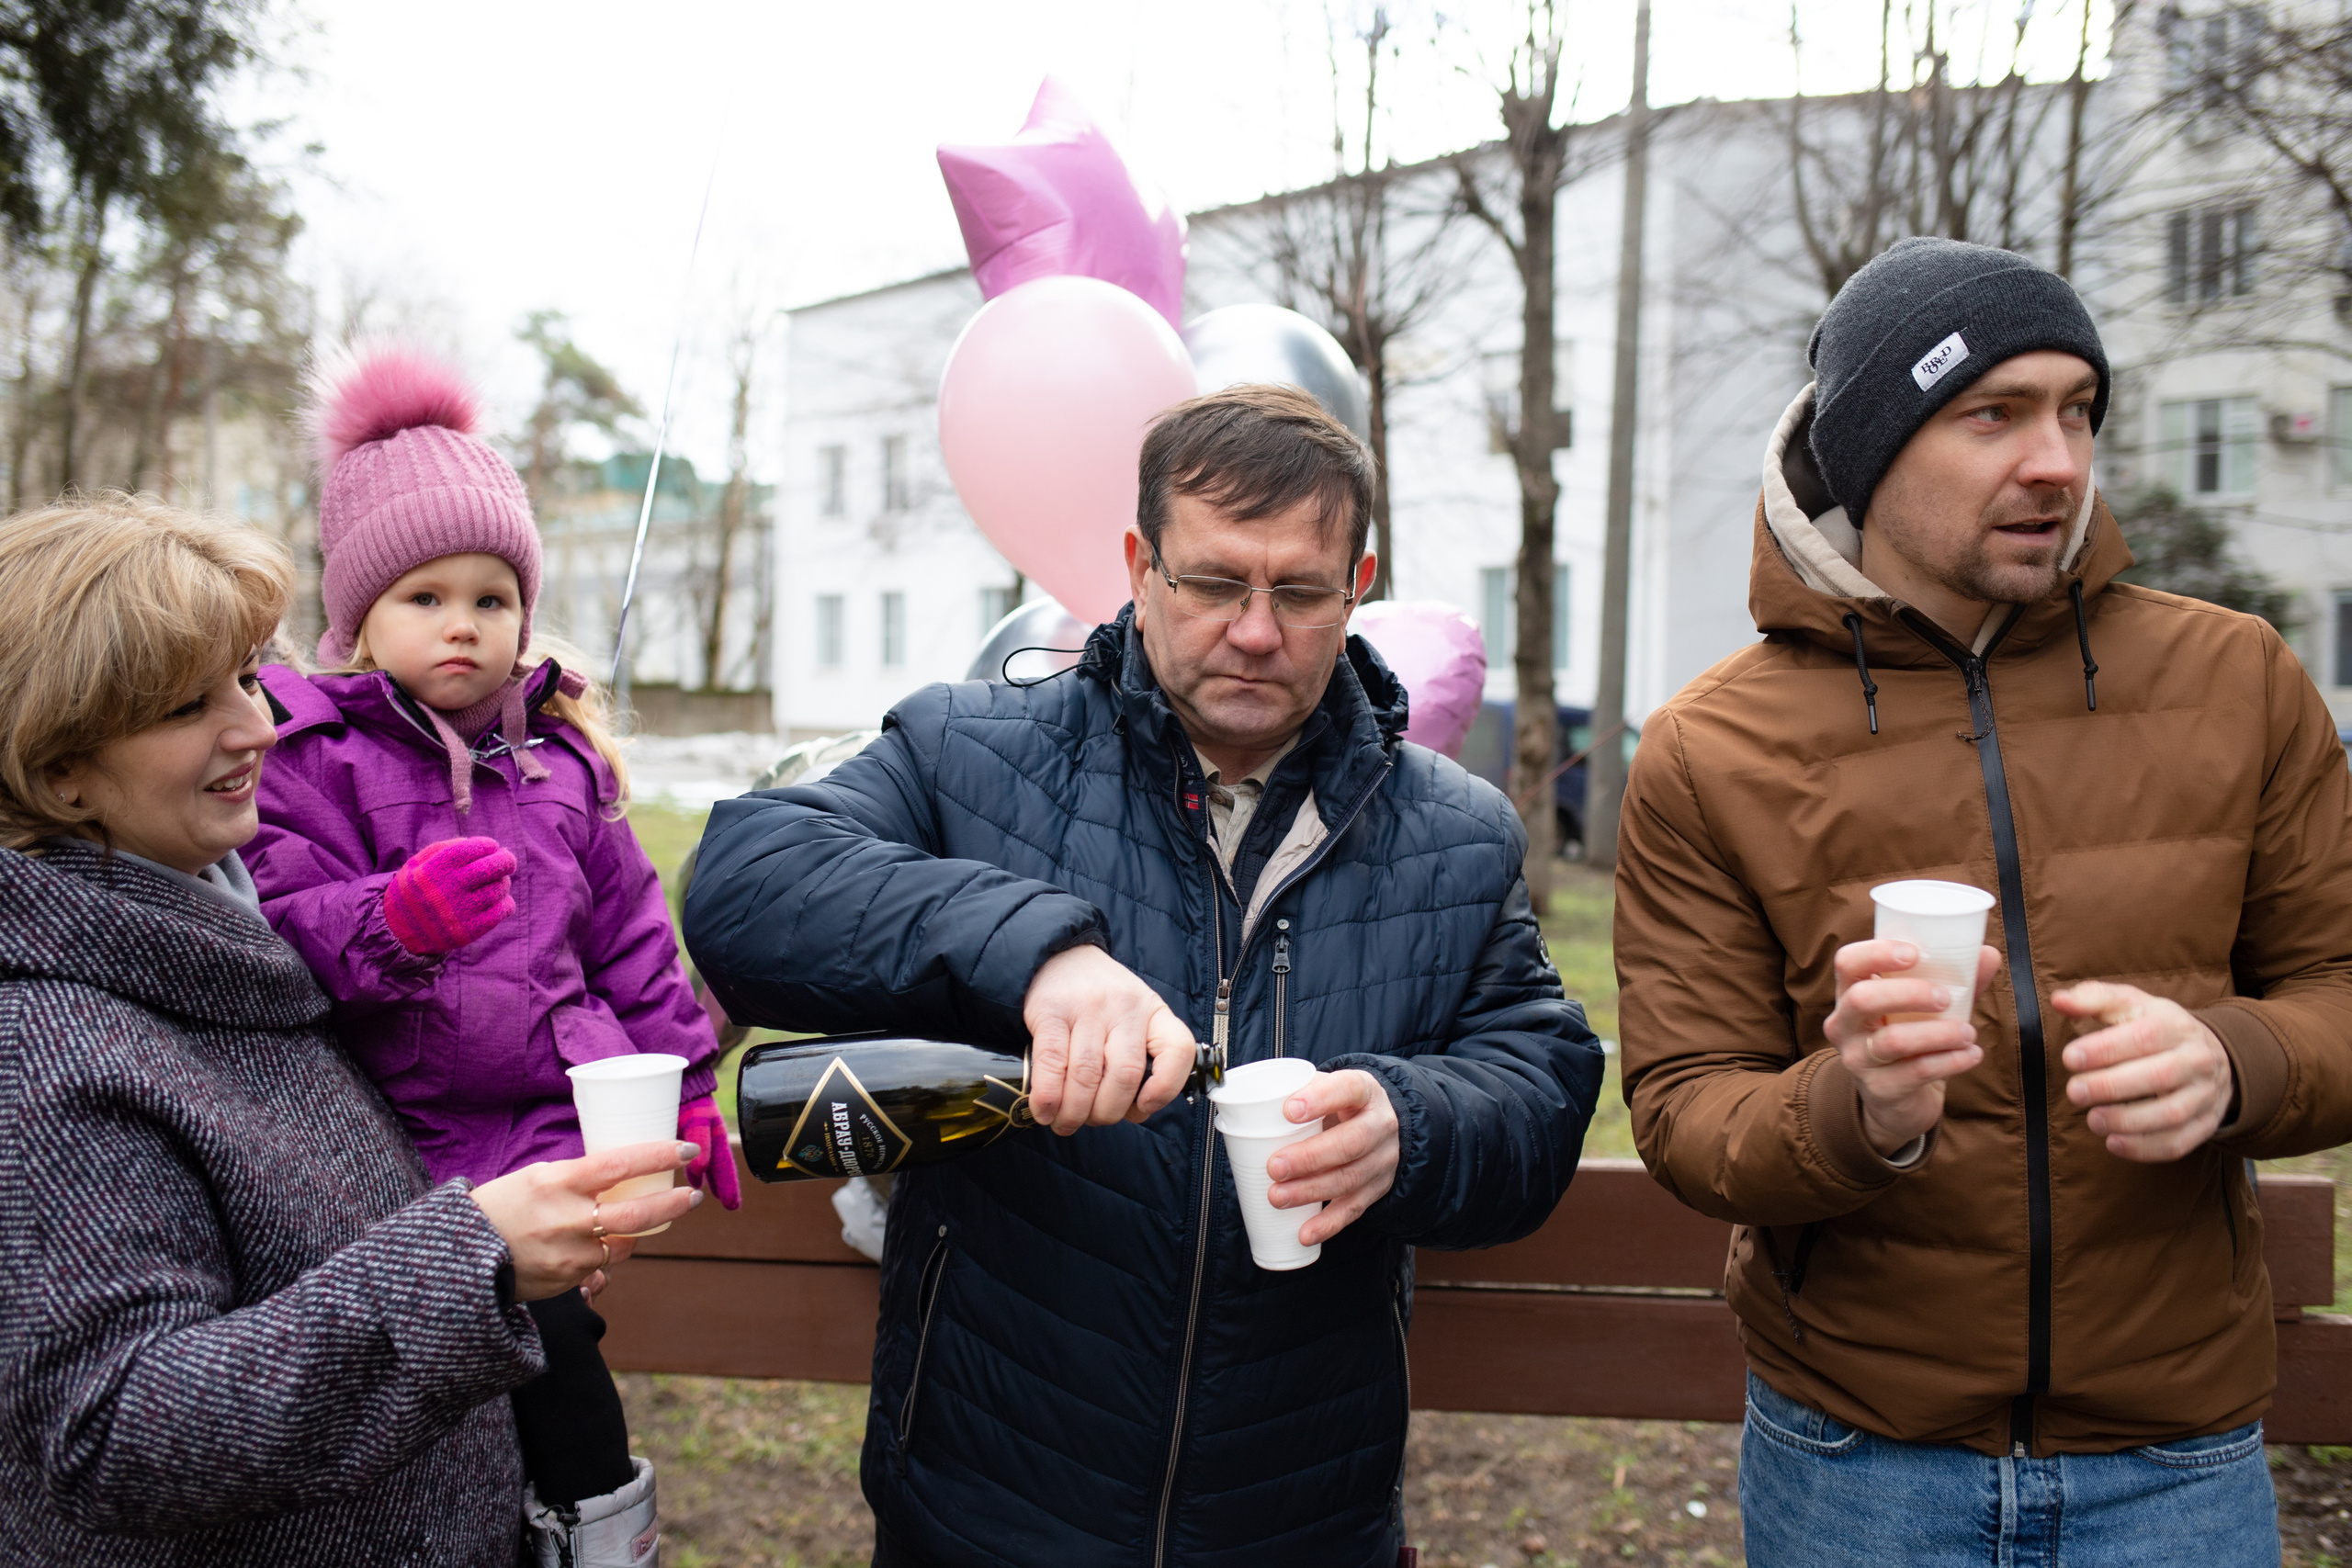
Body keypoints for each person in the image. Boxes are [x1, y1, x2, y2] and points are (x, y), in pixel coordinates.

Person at [685, 384, 1605, 1568]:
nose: (1257, 629)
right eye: (1215, 583)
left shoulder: (1456, 833)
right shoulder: (971, 757)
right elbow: (744, 882)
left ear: (1358, 585)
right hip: (985, 1508)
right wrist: (1036, 952)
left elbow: (1539, 1084)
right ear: (1138, 564)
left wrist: (1411, 1125)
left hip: (1300, 1524)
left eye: (1302, 590)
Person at [1613, 236, 2352, 1566]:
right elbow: (1683, 1108)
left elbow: (2341, 989)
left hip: (2176, 1461)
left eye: (2078, 409)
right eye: (1993, 413)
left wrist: (2236, 1059)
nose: (2058, 461)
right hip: (1859, 1460)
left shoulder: (2237, 676)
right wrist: (1862, 1108)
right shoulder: (1708, 748)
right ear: (1871, 451)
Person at [0, 494, 702, 1565]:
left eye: (245, 676)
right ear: (59, 770)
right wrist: (473, 1260)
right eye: (191, 707)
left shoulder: (213, 934)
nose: (259, 727)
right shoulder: (46, 1050)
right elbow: (114, 1436)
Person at [242, 343, 735, 1565]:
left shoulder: (563, 765)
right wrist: (392, 921)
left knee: (554, 1342)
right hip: (386, 1137)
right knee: (447, 1379)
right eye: (424, 596)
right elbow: (279, 924)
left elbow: (633, 949)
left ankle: (599, 1525)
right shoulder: (314, 757)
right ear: (358, 611)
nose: (463, 622)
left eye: (491, 595)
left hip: (547, 1126)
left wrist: (684, 1092)